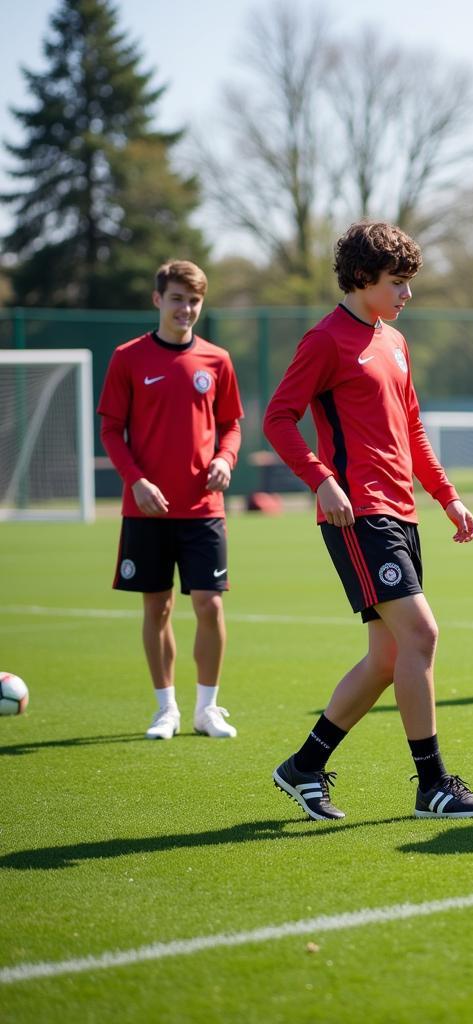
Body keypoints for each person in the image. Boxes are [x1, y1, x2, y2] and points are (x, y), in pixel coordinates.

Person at [263, 221, 473, 822]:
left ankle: (304, 767)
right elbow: (279, 419)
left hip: (402, 511)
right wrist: (323, 481)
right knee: (421, 636)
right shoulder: (324, 341)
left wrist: (448, 497)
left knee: (389, 658)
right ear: (362, 278)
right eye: (398, 283)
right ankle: (433, 785)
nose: (407, 295)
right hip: (358, 513)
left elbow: (412, 428)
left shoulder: (393, 342)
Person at [97, 260, 243, 740]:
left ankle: (208, 709)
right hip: (147, 508)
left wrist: (226, 458)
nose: (186, 308)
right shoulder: (128, 357)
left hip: (203, 509)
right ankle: (167, 710)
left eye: (194, 300)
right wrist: (136, 480)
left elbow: (231, 427)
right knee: (156, 608)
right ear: (158, 300)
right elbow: (111, 431)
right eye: (178, 298)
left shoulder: (217, 361)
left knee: (210, 606)